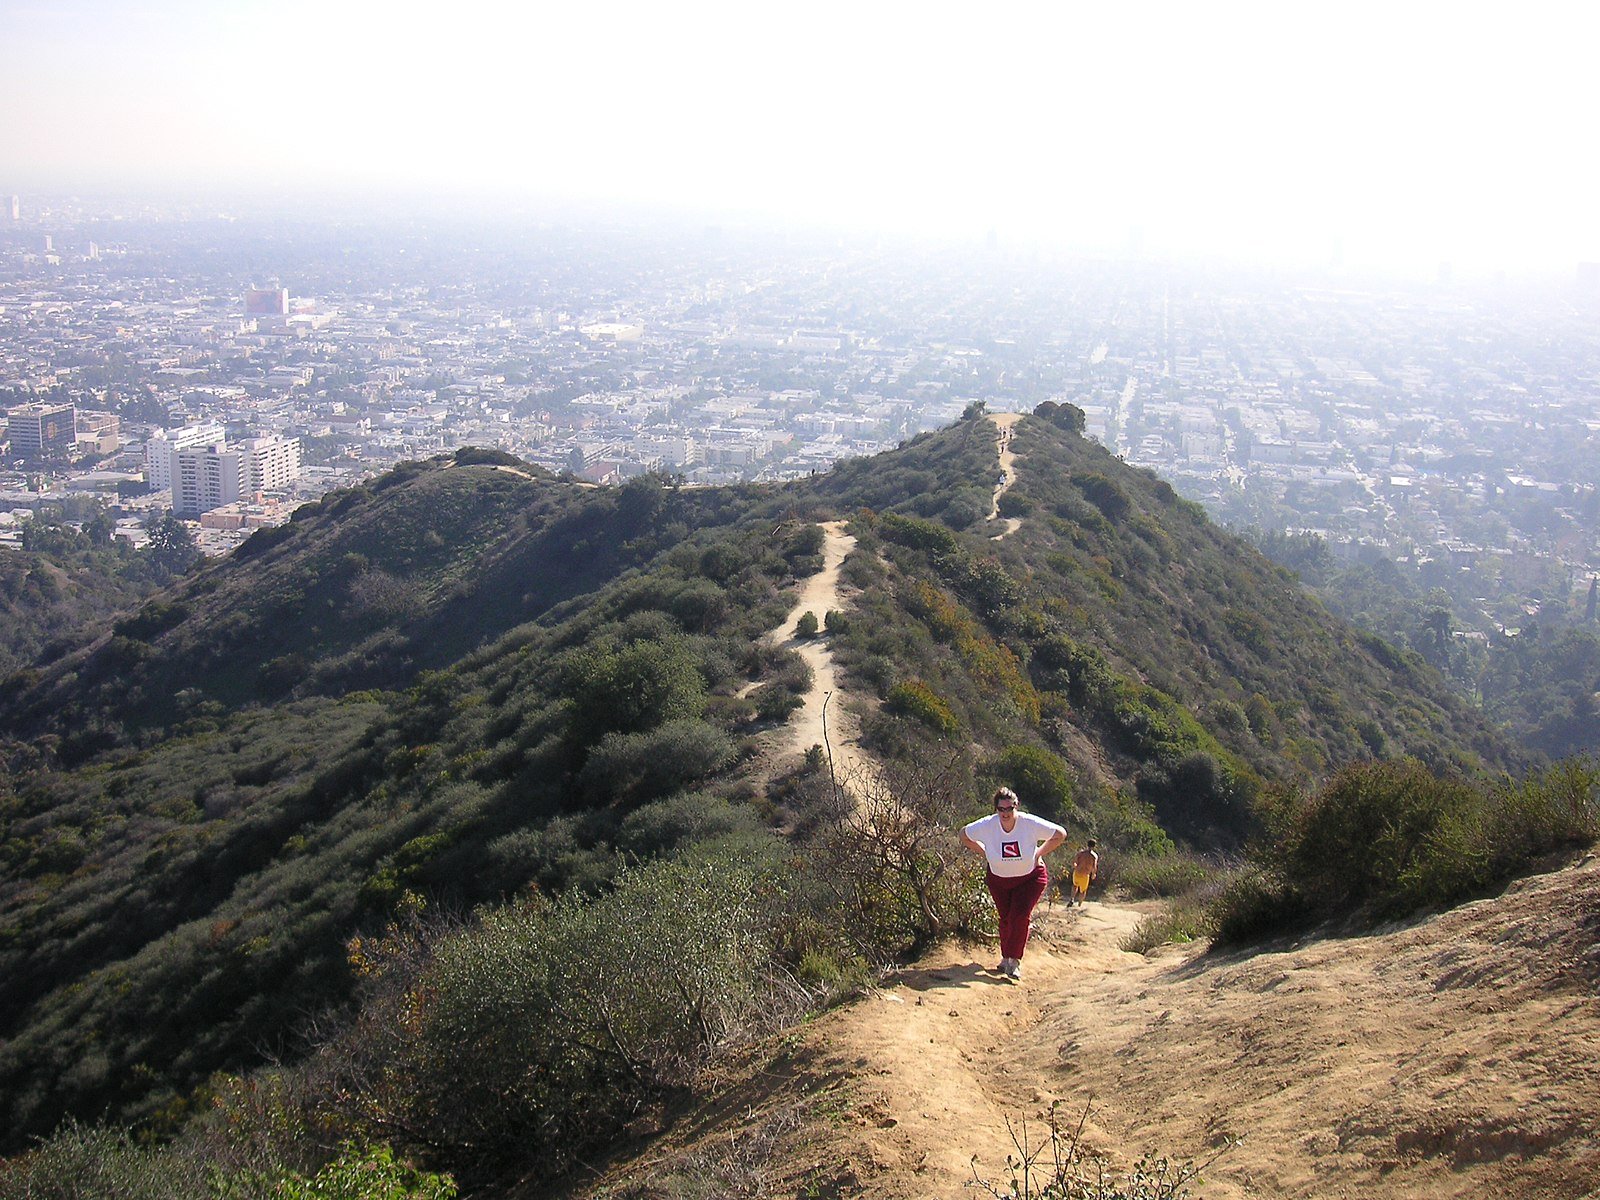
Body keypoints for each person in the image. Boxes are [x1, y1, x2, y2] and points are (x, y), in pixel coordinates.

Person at [960, 787, 1067, 980]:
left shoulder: (1028, 823)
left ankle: (1015, 961)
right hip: (998, 879)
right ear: (996, 809)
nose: (1005, 813)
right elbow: (963, 835)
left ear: (1016, 807)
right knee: (1006, 918)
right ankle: (1005, 957)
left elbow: (1060, 834)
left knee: (1020, 916)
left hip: (1029, 878)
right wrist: (986, 852)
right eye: (1001, 809)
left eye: (1009, 809)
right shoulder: (987, 825)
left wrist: (1038, 853)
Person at [1070, 839, 1099, 906]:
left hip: (1077, 872)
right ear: (1094, 846)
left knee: (1074, 886)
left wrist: (1075, 866)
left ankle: (1072, 899)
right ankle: (1079, 904)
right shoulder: (1094, 856)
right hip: (1085, 874)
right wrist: (1093, 874)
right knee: (1083, 891)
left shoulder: (1081, 853)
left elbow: (1074, 861)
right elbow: (1094, 866)